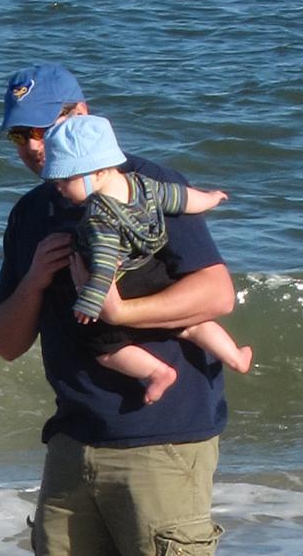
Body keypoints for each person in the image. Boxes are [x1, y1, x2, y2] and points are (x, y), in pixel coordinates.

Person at [0, 64, 235, 556]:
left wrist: (123, 313)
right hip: (73, 440)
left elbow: (217, 292)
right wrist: (34, 280)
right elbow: (6, 341)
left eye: (43, 130)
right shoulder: (32, 213)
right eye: (20, 137)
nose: (33, 148)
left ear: (81, 114)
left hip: (165, 438)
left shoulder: (144, 186)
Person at [40, 114, 252, 404]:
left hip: (122, 283)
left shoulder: (98, 218)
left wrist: (90, 300)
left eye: (65, 179)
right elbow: (181, 198)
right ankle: (236, 357)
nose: (59, 187)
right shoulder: (144, 186)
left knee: (103, 349)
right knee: (193, 325)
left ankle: (157, 373)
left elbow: (104, 264)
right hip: (154, 272)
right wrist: (210, 198)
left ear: (98, 172)